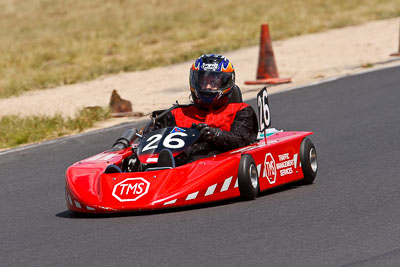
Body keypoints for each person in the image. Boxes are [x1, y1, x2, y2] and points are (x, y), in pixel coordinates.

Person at [150, 54, 258, 167]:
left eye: (214, 83)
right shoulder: (177, 113)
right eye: (203, 82)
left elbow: (242, 140)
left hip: (218, 161)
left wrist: (213, 134)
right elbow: (154, 144)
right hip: (178, 163)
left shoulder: (241, 111)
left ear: (226, 83)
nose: (207, 87)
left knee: (201, 156)